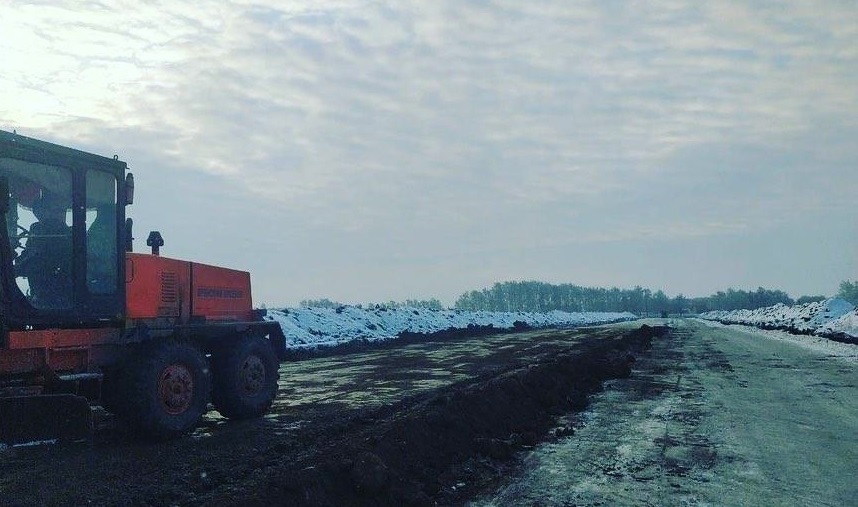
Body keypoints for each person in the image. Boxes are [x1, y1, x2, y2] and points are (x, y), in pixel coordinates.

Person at [15, 196, 73, 308]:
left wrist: (20, 266)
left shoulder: (60, 231)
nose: (39, 213)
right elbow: (29, 251)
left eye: (42, 209)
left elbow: (38, 254)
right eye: (36, 210)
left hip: (54, 282)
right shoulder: (36, 228)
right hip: (38, 281)